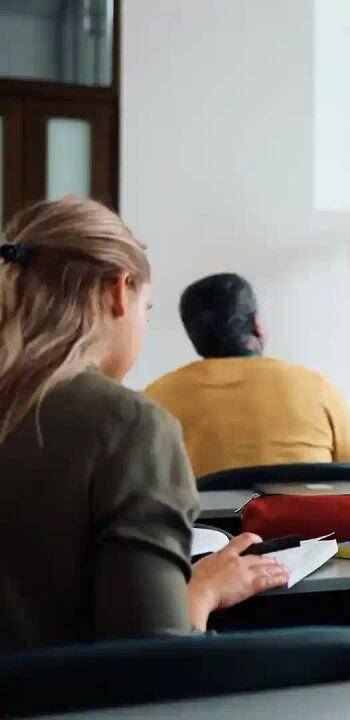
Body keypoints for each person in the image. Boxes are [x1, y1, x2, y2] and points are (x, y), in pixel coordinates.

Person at [0, 198, 287, 651]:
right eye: (146, 309)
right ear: (119, 291)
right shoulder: (127, 425)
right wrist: (202, 592)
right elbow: (150, 665)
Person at [145, 273, 350, 479]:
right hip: (313, 524)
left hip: (210, 526)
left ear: (193, 335)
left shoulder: (156, 399)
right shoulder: (314, 386)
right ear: (256, 325)